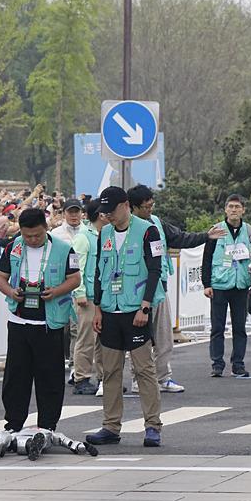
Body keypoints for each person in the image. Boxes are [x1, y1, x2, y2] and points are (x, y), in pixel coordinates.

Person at [127, 184, 225, 393]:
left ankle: (163, 377)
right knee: (140, 340)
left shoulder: (156, 222)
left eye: (152, 205)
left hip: (159, 287)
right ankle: (139, 379)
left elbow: (180, 238)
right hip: (135, 292)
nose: (150, 210)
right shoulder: (127, 228)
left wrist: (205, 236)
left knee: (164, 338)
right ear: (133, 207)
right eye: (145, 207)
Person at [85, 187, 164, 448]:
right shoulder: (105, 233)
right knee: (110, 371)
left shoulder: (148, 231)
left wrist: (145, 307)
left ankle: (152, 426)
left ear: (126, 205)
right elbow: (99, 272)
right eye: (104, 212)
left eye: (112, 210)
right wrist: (97, 308)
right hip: (110, 311)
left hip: (135, 311)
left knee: (144, 370)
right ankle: (110, 426)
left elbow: (155, 270)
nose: (108, 216)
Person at [0, 208, 80, 442]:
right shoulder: (13, 247)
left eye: (37, 235)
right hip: (19, 321)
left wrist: (56, 291)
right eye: (27, 235)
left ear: (46, 228)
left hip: (49, 322)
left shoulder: (64, 249)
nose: (32, 240)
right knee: (16, 376)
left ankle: (47, 425)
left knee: (49, 376)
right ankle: (13, 424)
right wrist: (10, 291)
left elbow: (75, 278)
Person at [201, 194, 251, 378]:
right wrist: (207, 284)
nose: (234, 210)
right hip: (219, 284)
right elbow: (207, 257)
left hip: (241, 285)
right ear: (225, 209)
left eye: (237, 207)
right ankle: (217, 364)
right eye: (230, 206)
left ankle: (238, 364)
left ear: (243, 210)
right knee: (217, 328)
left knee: (240, 328)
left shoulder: (249, 231)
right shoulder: (216, 230)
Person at [71, 201, 107, 395]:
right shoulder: (83, 237)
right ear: (101, 215)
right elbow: (77, 267)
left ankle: (104, 377)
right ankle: (81, 378)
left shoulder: (106, 234)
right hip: (88, 297)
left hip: (104, 296)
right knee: (86, 339)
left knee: (104, 341)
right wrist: (80, 292)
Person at [50, 198, 87, 385]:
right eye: (70, 212)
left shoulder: (88, 232)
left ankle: (75, 366)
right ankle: (54, 364)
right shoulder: (55, 234)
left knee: (76, 329)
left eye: (76, 211)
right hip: (59, 288)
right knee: (57, 328)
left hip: (79, 287)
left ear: (82, 213)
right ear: (63, 213)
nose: (74, 215)